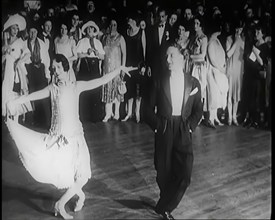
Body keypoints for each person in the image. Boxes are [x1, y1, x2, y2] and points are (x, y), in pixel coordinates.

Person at [5, 53, 136, 220]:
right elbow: (33, 96)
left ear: (65, 67)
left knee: (82, 175)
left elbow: (100, 81)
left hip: (77, 137)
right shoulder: (53, 89)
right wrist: (15, 102)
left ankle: (77, 198)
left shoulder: (76, 86)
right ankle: (61, 204)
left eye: (58, 68)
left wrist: (119, 69)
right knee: (74, 177)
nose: (56, 72)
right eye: (53, 69)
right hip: (61, 140)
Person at [144, 43, 203, 220]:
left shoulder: (193, 82)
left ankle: (164, 206)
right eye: (166, 56)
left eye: (171, 56)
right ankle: (165, 206)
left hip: (183, 128)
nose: (167, 60)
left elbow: (198, 109)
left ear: (182, 57)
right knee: (163, 170)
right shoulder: (158, 79)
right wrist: (158, 126)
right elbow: (145, 109)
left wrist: (190, 127)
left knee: (185, 173)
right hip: (164, 127)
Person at [2, 14, 32, 122]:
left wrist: (19, 61)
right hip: (6, 72)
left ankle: (16, 120)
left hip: (17, 71)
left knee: (17, 93)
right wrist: (5, 43)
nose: (15, 30)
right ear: (9, 29)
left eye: (17, 28)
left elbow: (28, 54)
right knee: (6, 92)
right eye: (13, 28)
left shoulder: (20, 42)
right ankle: (7, 119)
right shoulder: (5, 43)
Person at [101, 18, 126, 122]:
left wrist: (123, 68)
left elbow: (124, 54)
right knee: (107, 90)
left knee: (117, 90)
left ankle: (117, 113)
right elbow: (102, 53)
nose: (113, 27)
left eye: (115, 25)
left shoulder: (120, 38)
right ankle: (108, 113)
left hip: (117, 68)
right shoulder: (105, 38)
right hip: (107, 68)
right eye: (111, 25)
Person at [206, 23, 229, 127]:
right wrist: (220, 68)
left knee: (218, 95)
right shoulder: (210, 42)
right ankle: (210, 118)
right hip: (212, 71)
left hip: (218, 71)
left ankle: (215, 117)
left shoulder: (217, 41)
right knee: (213, 95)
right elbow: (212, 59)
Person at [226, 21, 245, 126]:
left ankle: (234, 116)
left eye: (240, 29)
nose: (238, 31)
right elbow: (228, 54)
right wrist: (236, 42)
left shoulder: (244, 41)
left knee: (237, 94)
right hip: (231, 70)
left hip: (239, 71)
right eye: (237, 29)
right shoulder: (229, 39)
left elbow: (244, 57)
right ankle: (229, 117)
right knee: (230, 94)